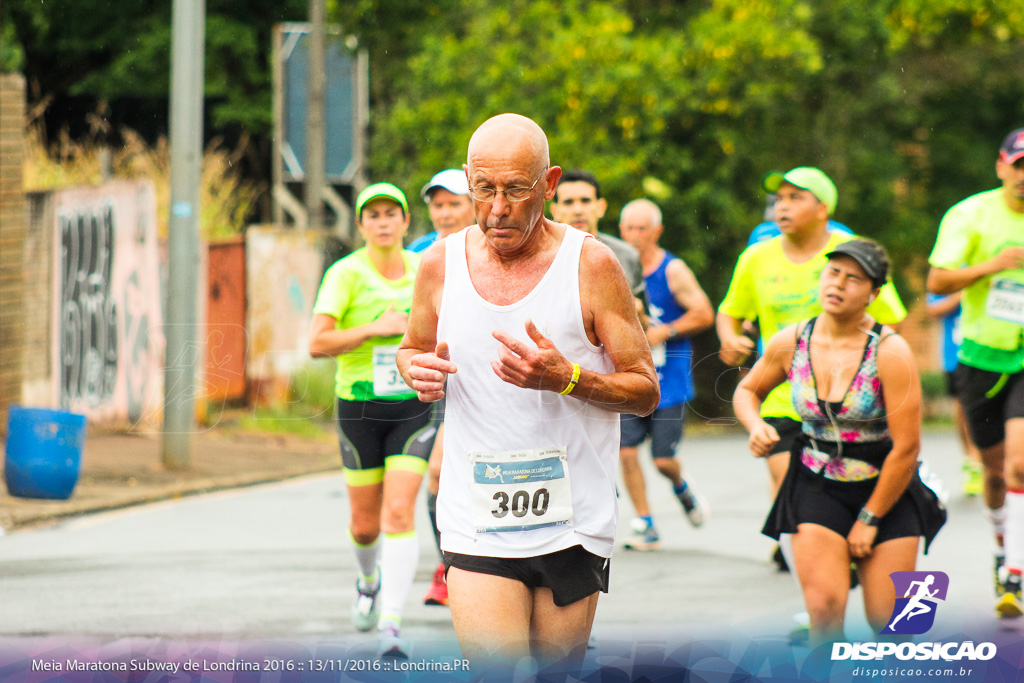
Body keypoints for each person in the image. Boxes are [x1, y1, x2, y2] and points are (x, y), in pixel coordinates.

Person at [396, 113, 659, 670]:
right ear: (468, 180)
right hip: (476, 516)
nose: (497, 208)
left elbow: (644, 390)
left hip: (572, 519)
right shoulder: (439, 263)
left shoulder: (590, 265)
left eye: (516, 190)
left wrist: (566, 378)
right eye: (483, 189)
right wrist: (415, 371)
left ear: (550, 182)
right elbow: (411, 348)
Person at [734, 239, 945, 645]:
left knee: (894, 624)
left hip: (886, 485)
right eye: (833, 273)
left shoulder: (890, 351)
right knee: (826, 612)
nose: (839, 284)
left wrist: (869, 519)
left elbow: (907, 449)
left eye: (854, 278)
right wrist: (756, 426)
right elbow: (747, 392)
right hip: (816, 482)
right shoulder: (791, 340)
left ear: (874, 294)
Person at [717, 167, 907, 572]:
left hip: (851, 401)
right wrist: (730, 340)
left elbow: (892, 319)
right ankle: (817, 574)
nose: (782, 206)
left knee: (832, 498)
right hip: (787, 398)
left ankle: (834, 557)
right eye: (779, 198)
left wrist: (879, 378)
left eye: (795, 197)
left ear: (823, 208)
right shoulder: (757, 256)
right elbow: (729, 312)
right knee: (794, 487)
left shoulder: (849, 253)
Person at [309, 182, 435, 657]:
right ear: (360, 225)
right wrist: (374, 330)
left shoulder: (426, 270)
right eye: (373, 215)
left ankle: (392, 626)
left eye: (391, 213)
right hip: (359, 406)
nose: (383, 221)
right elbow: (317, 343)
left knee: (399, 511)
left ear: (405, 222)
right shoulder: (346, 274)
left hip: (414, 404)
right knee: (365, 526)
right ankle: (368, 580)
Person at [926, 127, 1024, 617]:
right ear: (1001, 166)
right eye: (1019, 165)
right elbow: (937, 280)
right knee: (992, 474)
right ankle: (1003, 546)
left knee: (1020, 464)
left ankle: (1016, 572)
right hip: (982, 355)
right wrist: (992, 265)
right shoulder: (969, 214)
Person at [617, 198, 715, 550]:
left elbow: (704, 313)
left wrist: (666, 330)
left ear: (656, 231)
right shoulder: (616, 268)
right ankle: (645, 522)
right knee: (626, 452)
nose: (633, 235)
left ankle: (680, 485)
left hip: (668, 382)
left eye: (641, 228)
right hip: (630, 376)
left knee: (662, 460)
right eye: (628, 228)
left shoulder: (672, 269)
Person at [408, 169, 477, 608]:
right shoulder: (418, 254)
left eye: (455, 203)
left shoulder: (488, 246)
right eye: (438, 204)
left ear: (472, 205)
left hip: (481, 374)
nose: (445, 212)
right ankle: (449, 566)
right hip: (436, 378)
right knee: (436, 472)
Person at [548, 169, 647, 306]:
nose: (578, 210)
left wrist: (638, 315)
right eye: (568, 202)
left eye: (585, 201)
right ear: (555, 211)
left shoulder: (627, 255)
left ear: (601, 207)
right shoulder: (542, 257)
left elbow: (646, 321)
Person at [924, 293, 983, 496]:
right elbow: (933, 309)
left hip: (995, 352)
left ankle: (988, 457)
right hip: (957, 353)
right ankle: (972, 460)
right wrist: (966, 291)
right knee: (964, 405)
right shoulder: (952, 267)